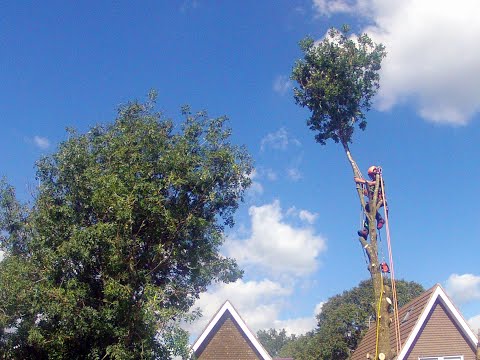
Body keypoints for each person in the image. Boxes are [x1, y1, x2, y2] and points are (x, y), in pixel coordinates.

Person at [355, 166, 386, 239]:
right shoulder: (373, 182)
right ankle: (366, 231)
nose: (372, 177)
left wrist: (359, 180)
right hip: (373, 200)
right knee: (369, 213)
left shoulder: (379, 180)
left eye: (372, 175)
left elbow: (371, 184)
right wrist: (362, 188)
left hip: (379, 199)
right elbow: (368, 192)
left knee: (368, 207)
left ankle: (379, 219)